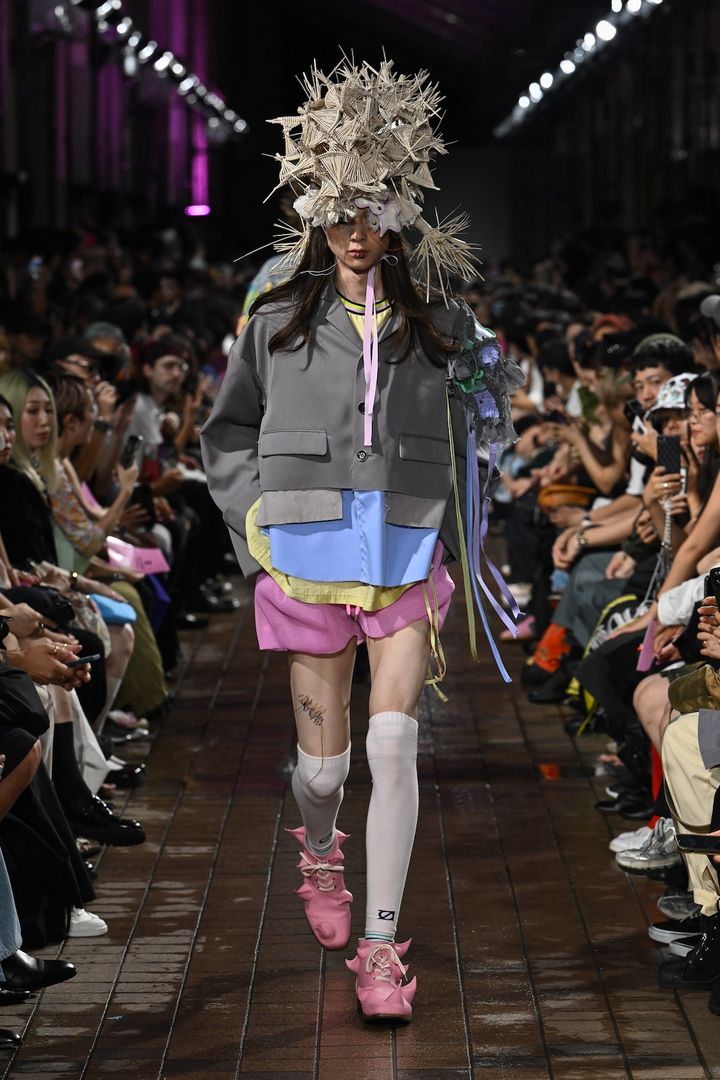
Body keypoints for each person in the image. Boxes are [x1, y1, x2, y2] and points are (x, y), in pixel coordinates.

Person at [201, 57, 520, 1022]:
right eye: (338, 208)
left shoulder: (442, 323)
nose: (354, 228)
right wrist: (255, 534)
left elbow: (483, 427)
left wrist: (468, 505)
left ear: (396, 215)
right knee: (325, 771)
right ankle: (319, 851)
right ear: (315, 209)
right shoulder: (275, 316)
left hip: (405, 553)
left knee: (393, 745)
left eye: (371, 209)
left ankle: (381, 949)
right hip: (303, 554)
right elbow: (225, 432)